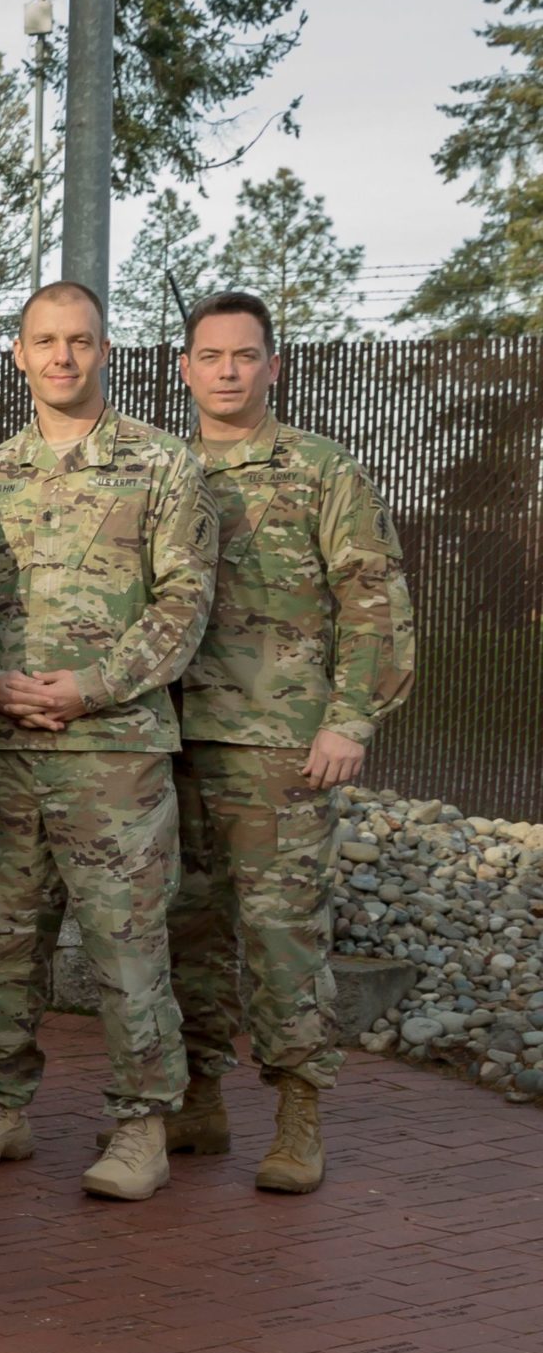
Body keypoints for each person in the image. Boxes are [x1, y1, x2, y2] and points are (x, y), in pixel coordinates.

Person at [0, 280, 216, 1200]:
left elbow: (185, 604)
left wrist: (90, 687)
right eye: (46, 341)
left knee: (127, 946)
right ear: (18, 353)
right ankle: (1, 1107)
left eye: (80, 341)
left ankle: (142, 1124)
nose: (62, 356)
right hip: (10, 753)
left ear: (107, 351)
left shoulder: (162, 465)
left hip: (114, 755)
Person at [167, 290, 415, 1193]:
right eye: (212, 355)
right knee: (183, 930)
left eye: (245, 356)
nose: (228, 371)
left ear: (273, 366)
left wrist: (353, 716)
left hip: (282, 746)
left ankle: (298, 1109)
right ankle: (199, 1094)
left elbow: (374, 599)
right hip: (171, 741)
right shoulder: (161, 469)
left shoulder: (321, 470)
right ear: (184, 367)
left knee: (281, 935)